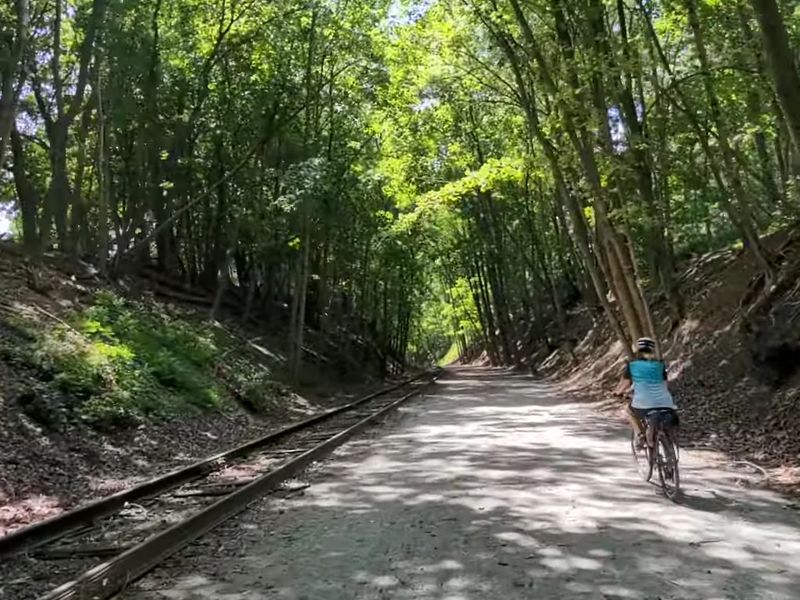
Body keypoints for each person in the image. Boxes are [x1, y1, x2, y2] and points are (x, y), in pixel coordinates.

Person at [616, 337, 678, 448]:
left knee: (629, 411)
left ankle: (640, 435)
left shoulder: (632, 365)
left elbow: (625, 384)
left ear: (638, 350)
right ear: (653, 350)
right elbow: (665, 384)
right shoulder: (660, 365)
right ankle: (665, 437)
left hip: (643, 403)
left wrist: (617, 393)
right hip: (666, 402)